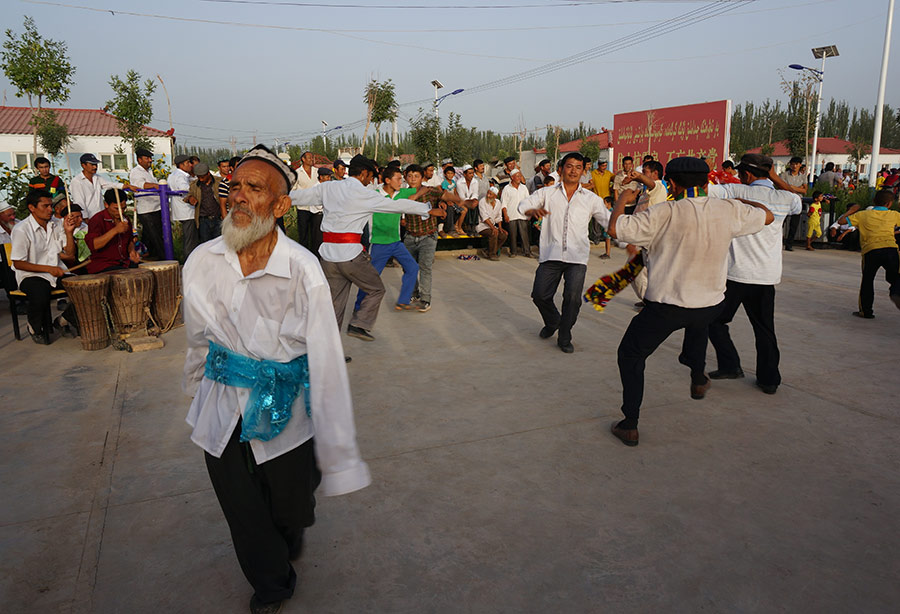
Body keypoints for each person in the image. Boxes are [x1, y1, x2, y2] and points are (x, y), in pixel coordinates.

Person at [181, 144, 371, 614]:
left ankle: (289, 531)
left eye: (255, 188)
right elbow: (197, 337)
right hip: (222, 403)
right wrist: (195, 392)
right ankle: (271, 584)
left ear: (282, 205)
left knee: (291, 507)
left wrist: (339, 450)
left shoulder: (303, 270)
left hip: (285, 407)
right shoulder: (202, 261)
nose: (239, 197)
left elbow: (326, 357)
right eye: (235, 187)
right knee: (244, 512)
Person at [607, 157, 774, 446]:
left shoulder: (664, 212)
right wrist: (744, 200)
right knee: (700, 323)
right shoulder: (727, 209)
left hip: (667, 305)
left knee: (631, 355)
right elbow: (768, 216)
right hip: (710, 303)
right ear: (708, 181)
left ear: (671, 183)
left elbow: (616, 229)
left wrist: (622, 198)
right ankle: (697, 376)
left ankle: (630, 422)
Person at [290, 155, 446, 342]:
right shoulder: (367, 195)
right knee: (376, 289)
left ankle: (329, 353)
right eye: (370, 176)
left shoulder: (328, 187)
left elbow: (298, 197)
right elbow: (397, 206)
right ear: (364, 173)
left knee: (334, 306)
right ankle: (359, 324)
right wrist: (427, 210)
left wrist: (276, 198)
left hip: (328, 258)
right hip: (350, 256)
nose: (370, 180)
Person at [705, 154, 803, 395]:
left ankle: (730, 364)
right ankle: (769, 380)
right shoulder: (785, 197)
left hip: (736, 274)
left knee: (713, 320)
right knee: (764, 329)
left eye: (740, 173)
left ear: (747, 174)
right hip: (766, 276)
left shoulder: (734, 191)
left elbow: (705, 190)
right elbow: (797, 201)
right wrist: (775, 178)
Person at [518, 152, 611, 353]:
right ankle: (553, 322)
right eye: (569, 166)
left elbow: (609, 222)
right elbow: (524, 204)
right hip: (551, 253)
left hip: (577, 257)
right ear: (561, 169)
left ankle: (565, 334)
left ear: (583, 170)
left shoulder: (591, 199)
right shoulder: (547, 193)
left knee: (572, 298)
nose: (574, 171)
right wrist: (531, 211)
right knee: (540, 295)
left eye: (578, 167)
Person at [10, 189, 78, 343]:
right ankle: (34, 326)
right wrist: (48, 269)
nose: (50, 210)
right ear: (32, 208)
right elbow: (18, 263)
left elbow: (70, 254)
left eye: (51, 206)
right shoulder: (21, 229)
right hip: (30, 275)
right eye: (45, 206)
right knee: (41, 292)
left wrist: (69, 233)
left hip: (55, 272)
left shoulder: (56, 223)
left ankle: (63, 320)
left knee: (85, 288)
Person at [353, 167, 421, 312]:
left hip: (396, 242)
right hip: (378, 243)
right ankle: (358, 307)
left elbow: (425, 189)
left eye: (403, 179)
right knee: (371, 278)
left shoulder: (401, 193)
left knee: (413, 268)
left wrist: (417, 194)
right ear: (387, 180)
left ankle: (403, 300)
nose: (401, 182)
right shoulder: (374, 195)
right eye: (398, 179)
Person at [833, 190, 900, 318]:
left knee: (867, 281)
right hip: (891, 249)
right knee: (895, 277)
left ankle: (866, 311)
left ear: (874, 201)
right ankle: (897, 292)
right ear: (890, 203)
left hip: (871, 251)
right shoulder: (894, 214)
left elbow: (841, 221)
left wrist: (851, 210)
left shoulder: (863, 215)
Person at [402, 165, 452, 313]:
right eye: (410, 176)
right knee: (408, 268)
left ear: (422, 177)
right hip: (410, 236)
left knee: (425, 267)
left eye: (416, 176)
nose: (412, 179)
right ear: (405, 177)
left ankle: (425, 298)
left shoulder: (430, 191)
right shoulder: (403, 193)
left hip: (428, 236)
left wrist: (444, 205)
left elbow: (445, 195)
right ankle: (413, 292)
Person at [85, 189, 141, 274]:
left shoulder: (126, 219)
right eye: (116, 208)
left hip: (124, 263)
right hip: (103, 265)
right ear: (106, 204)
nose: (121, 212)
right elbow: (94, 245)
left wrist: (132, 251)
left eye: (123, 208)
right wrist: (115, 230)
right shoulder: (97, 220)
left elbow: (130, 241)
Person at [70, 153, 132, 220]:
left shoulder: (97, 177)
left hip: (100, 216)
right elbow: (79, 202)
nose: (95, 167)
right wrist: (85, 218)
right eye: (92, 164)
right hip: (88, 218)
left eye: (96, 164)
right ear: (83, 165)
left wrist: (125, 186)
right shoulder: (77, 181)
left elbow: (108, 184)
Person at [129, 148, 165, 261]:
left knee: (149, 237)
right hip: (147, 209)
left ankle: (147, 258)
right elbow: (139, 184)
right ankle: (164, 259)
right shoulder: (136, 172)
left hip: (155, 207)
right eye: (147, 158)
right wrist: (155, 186)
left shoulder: (149, 172)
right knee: (156, 237)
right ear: (139, 160)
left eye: (150, 158)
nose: (150, 160)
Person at [168, 154, 199, 259]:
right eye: (188, 163)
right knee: (190, 240)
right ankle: (189, 262)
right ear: (181, 165)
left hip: (180, 211)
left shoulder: (172, 175)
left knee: (188, 238)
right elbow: (185, 189)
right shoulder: (181, 176)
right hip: (187, 211)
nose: (190, 165)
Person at [187, 163, 226, 244]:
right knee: (205, 245)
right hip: (203, 221)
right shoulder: (194, 185)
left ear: (208, 173)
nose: (200, 179)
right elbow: (189, 195)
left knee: (219, 244)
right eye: (198, 177)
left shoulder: (220, 182)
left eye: (202, 177)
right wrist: (190, 198)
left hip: (218, 219)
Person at [292, 151, 321, 251]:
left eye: (312, 158)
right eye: (309, 158)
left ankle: (315, 255)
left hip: (316, 207)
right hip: (303, 207)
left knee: (315, 235)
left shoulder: (317, 172)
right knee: (303, 234)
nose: (311, 159)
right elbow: (293, 190)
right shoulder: (297, 173)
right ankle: (303, 254)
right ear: (303, 159)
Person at [779, 156, 808, 251]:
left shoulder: (803, 176)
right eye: (792, 164)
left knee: (794, 224)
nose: (794, 166)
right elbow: (782, 186)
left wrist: (791, 187)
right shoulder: (784, 175)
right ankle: (779, 241)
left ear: (800, 165)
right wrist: (796, 188)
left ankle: (789, 244)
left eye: (796, 164)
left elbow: (804, 190)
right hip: (785, 201)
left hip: (797, 202)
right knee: (781, 222)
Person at [503, 169, 532, 257]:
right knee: (513, 235)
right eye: (517, 176)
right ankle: (513, 252)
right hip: (511, 215)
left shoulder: (524, 188)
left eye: (520, 176)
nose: (520, 178)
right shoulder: (507, 188)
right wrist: (505, 215)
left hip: (522, 215)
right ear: (512, 177)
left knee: (524, 235)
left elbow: (528, 201)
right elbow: (504, 203)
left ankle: (527, 252)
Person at [476, 186, 507, 260]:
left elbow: (499, 216)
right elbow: (484, 217)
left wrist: (500, 227)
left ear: (495, 196)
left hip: (492, 226)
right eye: (488, 193)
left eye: (490, 194)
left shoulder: (498, 202)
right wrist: (493, 228)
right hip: (482, 226)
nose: (488, 195)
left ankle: (488, 251)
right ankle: (492, 254)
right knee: (493, 233)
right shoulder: (482, 201)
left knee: (503, 235)